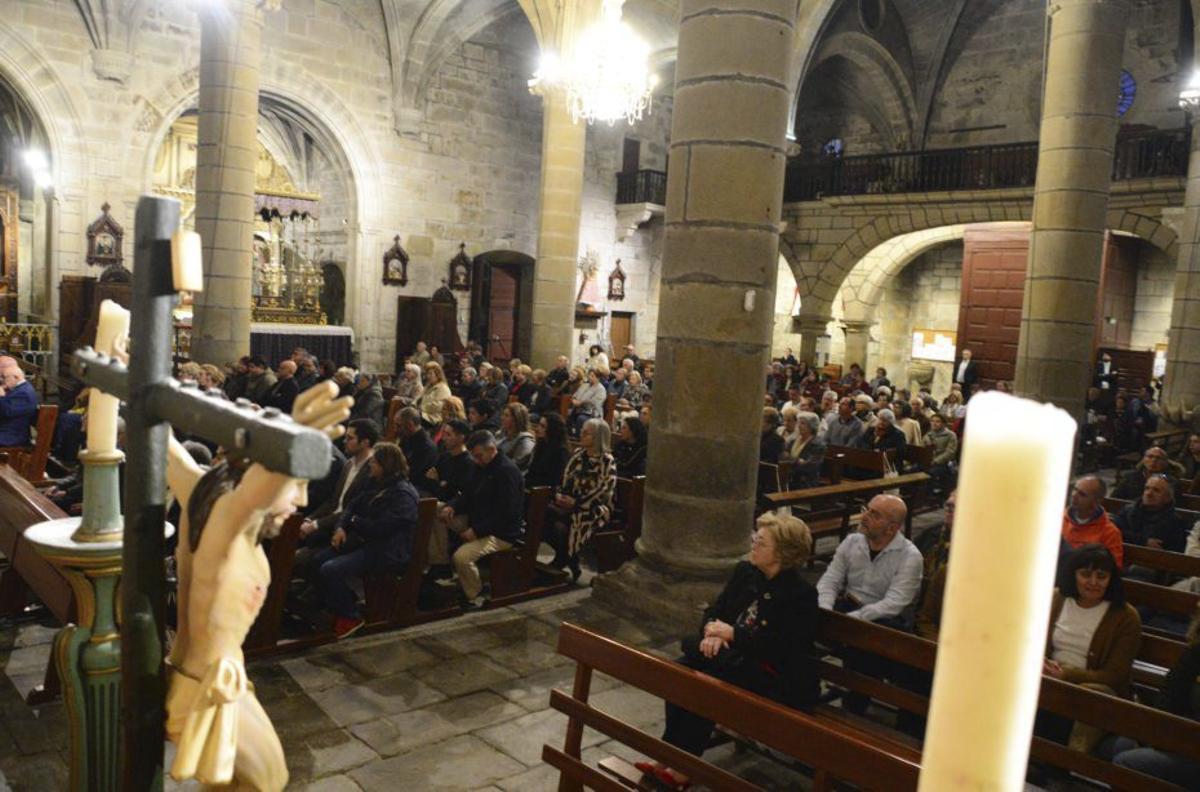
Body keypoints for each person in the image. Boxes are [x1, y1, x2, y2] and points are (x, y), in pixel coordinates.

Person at [164, 381, 349, 789]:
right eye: (294, 484)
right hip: (205, 693)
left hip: (201, 683)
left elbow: (164, 445)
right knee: (268, 779)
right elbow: (252, 494)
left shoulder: (202, 494)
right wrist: (291, 441)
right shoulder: (230, 521)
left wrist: (135, 379)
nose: (301, 500)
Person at [638, 514, 819, 788]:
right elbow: (716, 610)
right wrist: (712, 630)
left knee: (704, 682)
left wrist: (732, 634)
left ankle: (683, 767)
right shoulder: (746, 572)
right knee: (682, 669)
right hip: (732, 660)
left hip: (773, 675)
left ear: (783, 552)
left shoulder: (800, 594)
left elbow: (783, 648)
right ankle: (669, 757)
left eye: (761, 542)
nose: (754, 545)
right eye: (755, 538)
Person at [817, 494, 923, 715]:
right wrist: (825, 610)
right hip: (847, 608)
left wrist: (854, 620)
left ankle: (855, 704)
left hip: (883, 620)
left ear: (891, 527)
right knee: (798, 621)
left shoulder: (910, 557)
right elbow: (830, 580)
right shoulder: (852, 541)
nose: (864, 516)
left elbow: (893, 603)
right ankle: (802, 692)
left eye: (874, 514)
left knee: (865, 647)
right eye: (867, 509)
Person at [312, 442, 419, 638]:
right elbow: (351, 506)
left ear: (385, 465)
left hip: (387, 550)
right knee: (318, 559)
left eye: (374, 463)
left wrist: (354, 522)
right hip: (365, 541)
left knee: (330, 569)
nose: (370, 466)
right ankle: (339, 605)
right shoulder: (375, 482)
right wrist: (341, 527)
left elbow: (381, 529)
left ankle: (350, 616)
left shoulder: (403, 494)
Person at [1041, 544, 1141, 751]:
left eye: (1101, 576)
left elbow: (1115, 675)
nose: (1093, 582)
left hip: (1091, 687)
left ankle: (1059, 763)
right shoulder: (1056, 598)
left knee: (1081, 697)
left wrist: (1065, 675)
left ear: (1111, 579)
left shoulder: (1125, 616)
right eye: (1086, 574)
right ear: (1073, 575)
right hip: (1048, 674)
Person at [434, 431, 525, 608]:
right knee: (437, 511)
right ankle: (440, 563)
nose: (475, 460)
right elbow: (466, 495)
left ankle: (474, 595)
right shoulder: (480, 466)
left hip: (501, 533)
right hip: (477, 522)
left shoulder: (507, 472)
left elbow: (507, 513)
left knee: (462, 557)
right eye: (474, 456)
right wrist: (452, 506)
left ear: (492, 449)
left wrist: (477, 531)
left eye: (478, 456)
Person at [1111, 608, 1200, 786]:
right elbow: (1169, 697)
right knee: (1120, 744)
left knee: (1127, 762)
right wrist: (1159, 735)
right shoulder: (1196, 652)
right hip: (1179, 734)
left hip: (1193, 748)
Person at [295, 419, 379, 586]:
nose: (344, 441)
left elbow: (352, 510)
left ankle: (317, 595)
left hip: (348, 530)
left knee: (305, 558)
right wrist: (310, 518)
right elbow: (333, 501)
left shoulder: (372, 471)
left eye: (350, 438)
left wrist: (316, 524)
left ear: (365, 442)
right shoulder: (349, 464)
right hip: (332, 522)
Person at [548, 418, 616, 581]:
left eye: (587, 433)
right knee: (543, 514)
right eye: (582, 431)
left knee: (561, 525)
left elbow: (604, 490)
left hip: (594, 508)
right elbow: (565, 477)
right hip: (571, 503)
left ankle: (564, 559)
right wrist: (560, 495)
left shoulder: (607, 460)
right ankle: (568, 558)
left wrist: (577, 503)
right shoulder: (578, 454)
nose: (581, 434)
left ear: (598, 437)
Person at [915, 491, 955, 641]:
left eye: (957, 507)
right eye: (949, 506)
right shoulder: (930, 535)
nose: (950, 509)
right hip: (922, 609)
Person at [1112, 474, 1188, 553]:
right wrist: (1144, 541)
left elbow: (1171, 554)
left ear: (1167, 498)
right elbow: (1114, 532)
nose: (1149, 494)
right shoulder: (1128, 510)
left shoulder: (1174, 521)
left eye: (1156, 490)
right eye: (1147, 488)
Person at [1061, 475, 1124, 567]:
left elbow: (1114, 568)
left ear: (1096, 501)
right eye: (1075, 489)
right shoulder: (1057, 520)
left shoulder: (1110, 532)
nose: (1074, 495)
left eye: (1082, 494)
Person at [427, 419, 473, 503]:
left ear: (461, 438)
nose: (444, 438)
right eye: (443, 434)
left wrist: (438, 482)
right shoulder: (445, 456)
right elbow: (430, 476)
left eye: (448, 435)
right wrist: (440, 483)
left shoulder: (468, 463)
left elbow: (453, 494)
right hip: (434, 497)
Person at [394, 407, 438, 495]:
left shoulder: (426, 447)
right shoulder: (406, 438)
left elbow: (413, 475)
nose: (395, 429)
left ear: (410, 425)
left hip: (416, 489)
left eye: (398, 426)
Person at [1113, 446, 1182, 500]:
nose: (1154, 460)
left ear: (1165, 462)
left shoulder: (1170, 481)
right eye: (1150, 456)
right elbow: (1115, 498)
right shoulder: (1130, 477)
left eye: (1158, 458)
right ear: (1144, 460)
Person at [527, 412, 571, 491]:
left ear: (552, 429)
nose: (538, 429)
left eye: (542, 426)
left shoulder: (560, 451)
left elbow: (555, 480)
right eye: (539, 425)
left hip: (543, 491)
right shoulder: (542, 445)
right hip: (532, 485)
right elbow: (532, 470)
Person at [0, 364, 39, 446]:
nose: (2, 380)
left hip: (11, 436)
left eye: (4, 377)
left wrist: (1, 396)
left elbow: (7, 412)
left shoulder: (24, 393)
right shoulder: (19, 389)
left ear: (16, 377)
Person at [787, 411, 825, 490]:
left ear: (812, 426)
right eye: (798, 423)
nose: (799, 426)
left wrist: (791, 461)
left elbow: (810, 466)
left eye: (803, 423)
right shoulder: (793, 440)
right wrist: (797, 461)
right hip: (790, 477)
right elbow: (783, 455)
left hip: (805, 481)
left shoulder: (818, 444)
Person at [922, 412, 958, 493]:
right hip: (929, 461)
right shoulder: (928, 435)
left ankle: (929, 494)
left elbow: (950, 452)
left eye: (937, 421)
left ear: (943, 424)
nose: (934, 423)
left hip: (944, 463)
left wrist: (935, 461)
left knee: (930, 473)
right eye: (932, 421)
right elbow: (922, 449)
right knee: (914, 470)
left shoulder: (950, 435)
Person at [497, 402, 535, 472]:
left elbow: (517, 464)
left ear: (517, 419)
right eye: (503, 415)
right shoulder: (500, 433)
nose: (502, 418)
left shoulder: (526, 440)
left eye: (506, 415)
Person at [569, 368, 607, 435]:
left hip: (591, 413)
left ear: (598, 378)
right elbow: (575, 395)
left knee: (581, 418)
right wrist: (574, 400)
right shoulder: (584, 385)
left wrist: (581, 403)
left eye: (592, 376)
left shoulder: (601, 389)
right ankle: (570, 435)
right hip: (578, 409)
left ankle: (578, 437)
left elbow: (595, 402)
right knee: (568, 414)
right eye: (589, 375)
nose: (590, 377)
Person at [415, 361, 451, 428]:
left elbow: (440, 405)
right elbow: (418, 397)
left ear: (438, 374)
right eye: (426, 374)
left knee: (411, 419)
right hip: (423, 414)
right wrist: (413, 404)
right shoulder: (428, 386)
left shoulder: (443, 388)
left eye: (430, 374)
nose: (428, 376)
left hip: (433, 418)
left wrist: (421, 408)